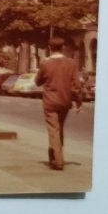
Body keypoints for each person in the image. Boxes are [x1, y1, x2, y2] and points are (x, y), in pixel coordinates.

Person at [34, 37, 83, 171]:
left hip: (50, 101)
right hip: (65, 101)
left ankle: (58, 161)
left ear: (49, 48)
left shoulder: (45, 63)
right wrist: (78, 102)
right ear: (62, 48)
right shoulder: (71, 63)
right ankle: (53, 156)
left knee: (54, 130)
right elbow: (77, 85)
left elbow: (37, 81)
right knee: (58, 129)